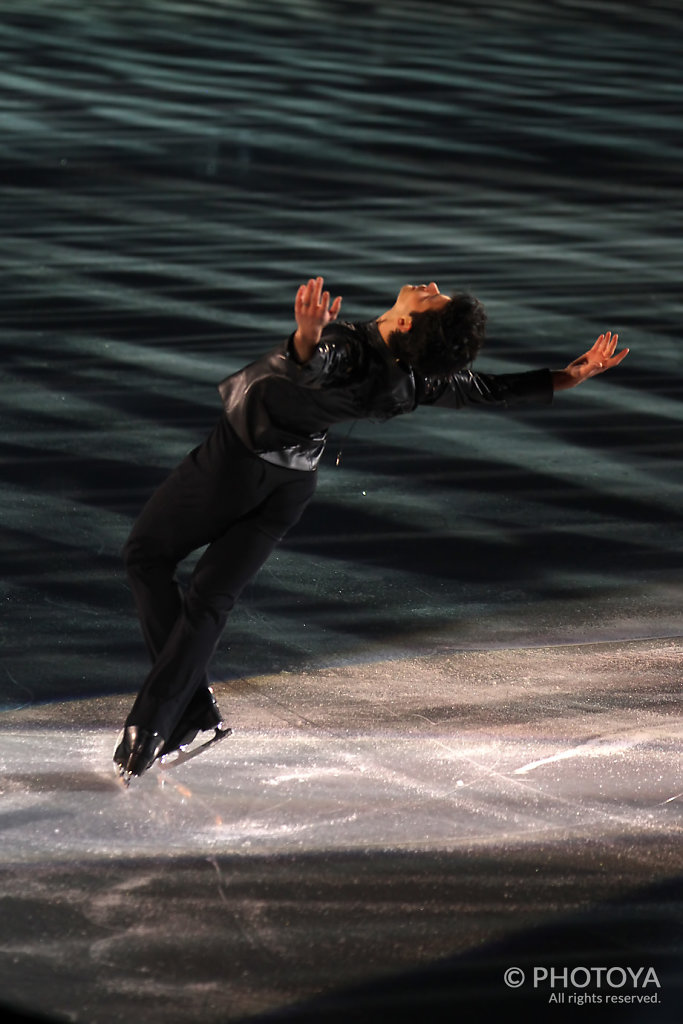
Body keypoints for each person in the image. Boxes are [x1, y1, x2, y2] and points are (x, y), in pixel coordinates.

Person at [114, 277, 628, 784]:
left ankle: (181, 713)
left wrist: (307, 337)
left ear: (405, 321)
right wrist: (568, 375)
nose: (428, 284)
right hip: (292, 484)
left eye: (431, 295)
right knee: (209, 598)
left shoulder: (351, 349)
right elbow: (483, 389)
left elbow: (318, 366)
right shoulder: (413, 379)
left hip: (235, 465)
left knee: (146, 555)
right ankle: (166, 721)